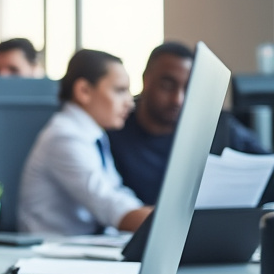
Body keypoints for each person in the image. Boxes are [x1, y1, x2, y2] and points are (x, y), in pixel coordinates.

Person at [110, 41, 270, 205]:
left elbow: (268, 165)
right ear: (145, 79)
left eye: (188, 88)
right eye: (167, 85)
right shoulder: (113, 128)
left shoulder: (215, 126)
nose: (178, 99)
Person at [18, 48, 153, 235]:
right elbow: (108, 204)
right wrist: (168, 224)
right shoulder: (64, 136)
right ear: (84, 91)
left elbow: (116, 192)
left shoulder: (92, 134)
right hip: (54, 253)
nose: (130, 102)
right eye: (120, 90)